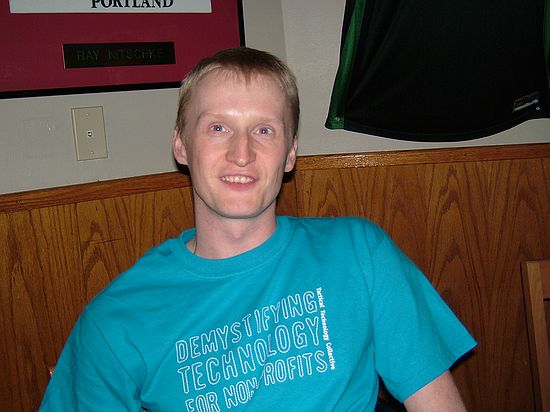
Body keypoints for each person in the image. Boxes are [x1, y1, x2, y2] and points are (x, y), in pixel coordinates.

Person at [40, 47, 476, 411]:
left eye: (264, 130)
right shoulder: (115, 320)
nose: (242, 153)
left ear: (290, 153)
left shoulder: (360, 252)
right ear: (181, 145)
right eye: (218, 127)